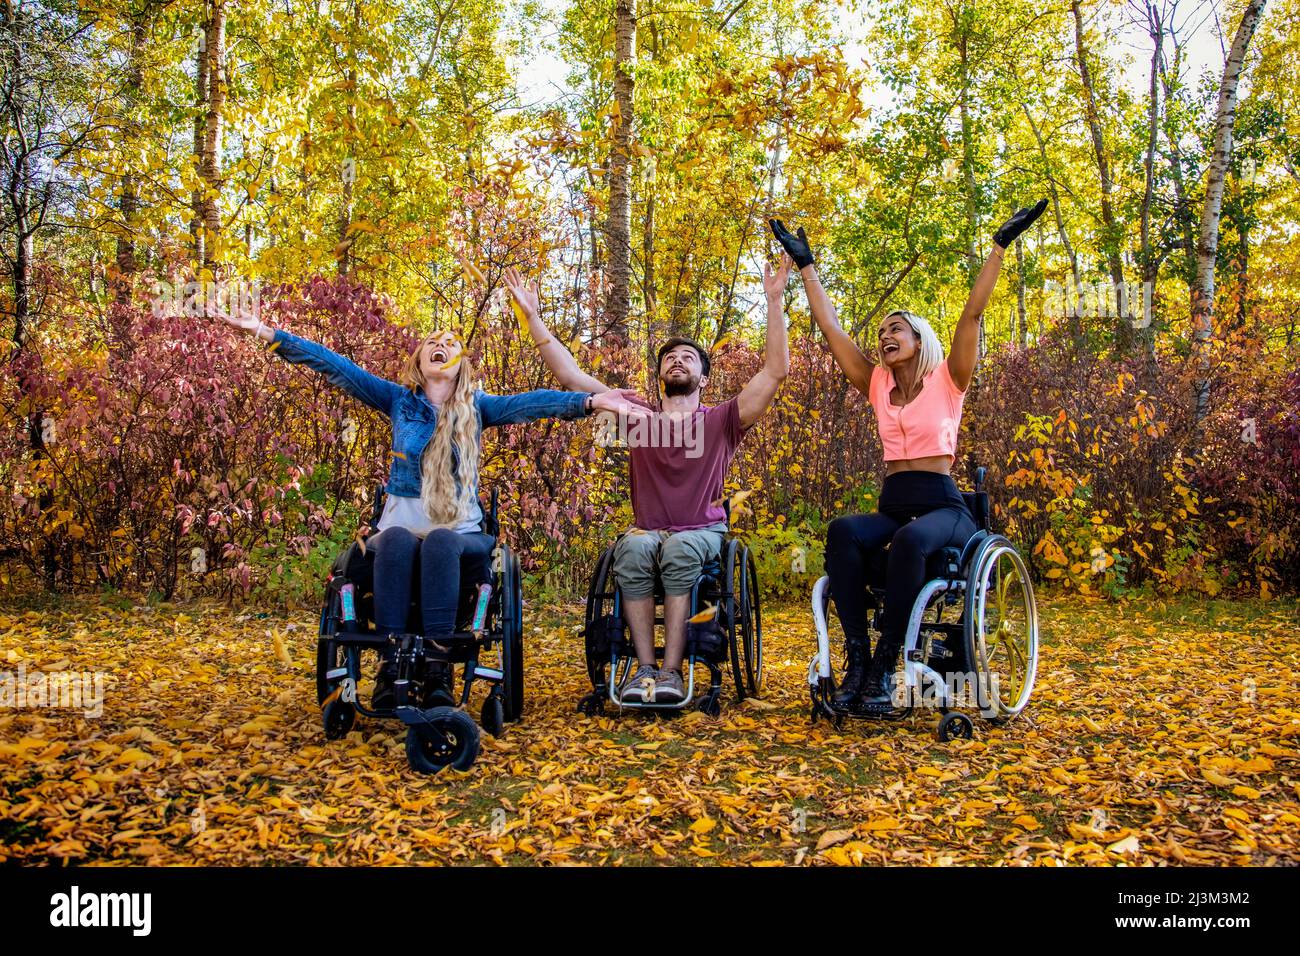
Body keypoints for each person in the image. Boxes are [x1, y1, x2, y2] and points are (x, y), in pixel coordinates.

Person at [219, 310, 646, 706]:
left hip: (460, 537)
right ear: (418, 361)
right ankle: (392, 668)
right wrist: (264, 332)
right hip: (397, 533)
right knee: (399, 541)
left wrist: (592, 402)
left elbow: (532, 404)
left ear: (462, 363)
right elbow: (336, 366)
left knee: (441, 540)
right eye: (431, 342)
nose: (440, 346)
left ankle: (438, 670)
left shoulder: (479, 407)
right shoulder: (397, 401)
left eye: (450, 342)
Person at [771, 201, 1046, 711]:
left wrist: (999, 246)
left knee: (912, 539)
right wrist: (807, 268)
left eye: (896, 328)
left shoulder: (949, 380)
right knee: (843, 531)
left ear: (919, 340)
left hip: (943, 508)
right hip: (894, 502)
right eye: (881, 332)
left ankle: (883, 665)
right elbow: (832, 331)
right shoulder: (876, 384)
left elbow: (973, 313)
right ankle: (856, 658)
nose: (885, 336)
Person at [502, 257, 792, 704]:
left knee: (677, 548)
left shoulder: (722, 420)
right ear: (659, 375)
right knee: (632, 547)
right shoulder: (637, 417)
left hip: (702, 532)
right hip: (647, 531)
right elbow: (571, 377)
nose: (677, 362)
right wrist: (533, 318)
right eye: (669, 358)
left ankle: (673, 673)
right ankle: (643, 670)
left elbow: (775, 371)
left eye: (688, 358)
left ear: (703, 376)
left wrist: (774, 301)